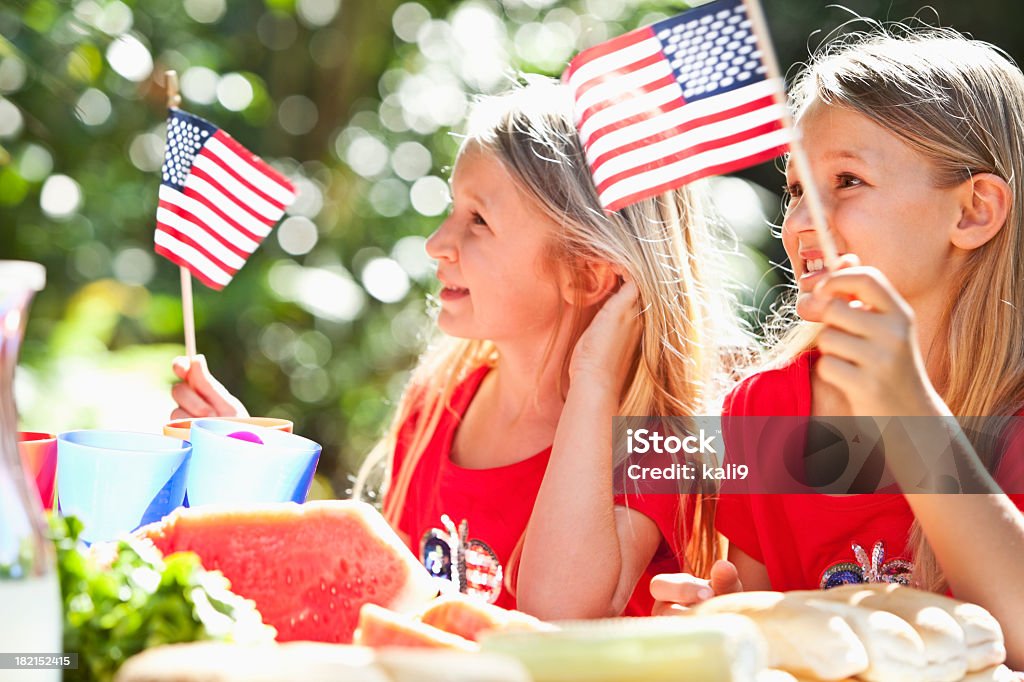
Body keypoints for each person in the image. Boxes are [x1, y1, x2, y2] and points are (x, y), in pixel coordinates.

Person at [169, 77, 751, 618]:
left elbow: (556, 615)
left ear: (587, 274)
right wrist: (252, 470)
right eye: (453, 210)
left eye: (478, 221)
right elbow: (379, 598)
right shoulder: (439, 404)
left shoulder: (656, 437)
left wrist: (595, 377)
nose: (436, 243)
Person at [645, 28, 1024, 665]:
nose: (801, 222)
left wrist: (912, 412)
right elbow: (769, 623)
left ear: (974, 211)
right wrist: (714, 625)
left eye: (847, 180)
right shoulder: (761, 411)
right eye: (795, 190)